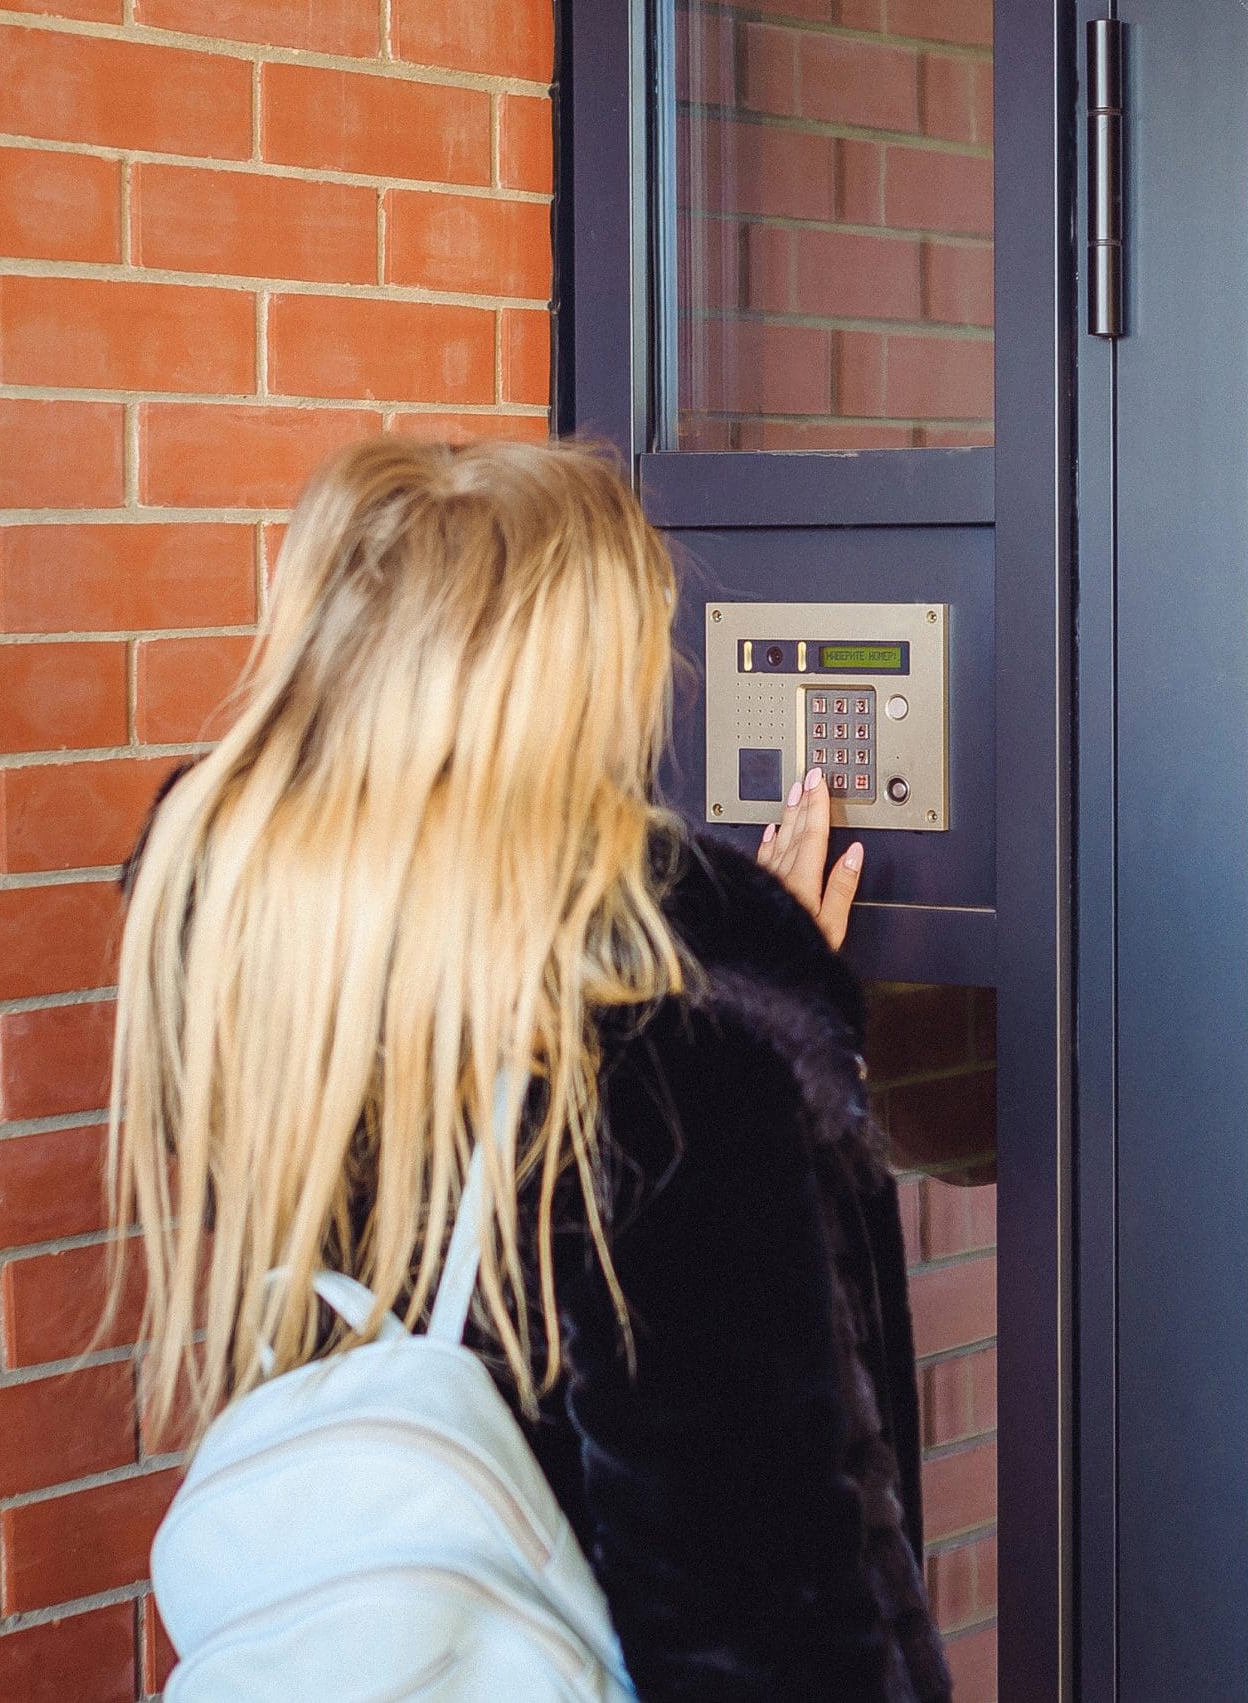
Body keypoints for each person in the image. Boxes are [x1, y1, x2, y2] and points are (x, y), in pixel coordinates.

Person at [110, 437, 953, 1702]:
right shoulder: (675, 1070)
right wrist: (742, 990)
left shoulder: (245, 961)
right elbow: (764, 1623)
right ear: (578, 688)